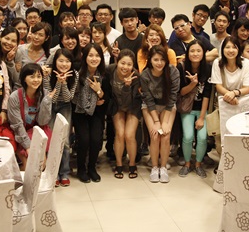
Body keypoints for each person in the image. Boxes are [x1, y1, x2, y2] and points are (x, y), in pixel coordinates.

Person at [210, 37, 249, 192]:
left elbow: (247, 87)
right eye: (227, 47)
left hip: (241, 102)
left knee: (242, 137)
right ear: (222, 49)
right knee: (222, 140)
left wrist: (234, 93)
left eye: (234, 47)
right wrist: (229, 95)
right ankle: (225, 171)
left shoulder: (246, 63)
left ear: (238, 49)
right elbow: (218, 86)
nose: (230, 50)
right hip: (223, 103)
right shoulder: (217, 63)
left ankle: (242, 171)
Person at [140, 45, 180, 183]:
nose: (159, 63)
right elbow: (148, 99)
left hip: (168, 106)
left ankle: (163, 167)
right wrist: (157, 121)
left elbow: (173, 97)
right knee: (155, 134)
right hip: (150, 107)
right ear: (150, 60)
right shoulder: (145, 75)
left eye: (162, 59)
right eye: (156, 59)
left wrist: (165, 121)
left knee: (165, 135)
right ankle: (154, 167)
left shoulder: (173, 72)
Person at [72, 43, 110, 183]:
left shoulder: (104, 74)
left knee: (96, 140)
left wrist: (98, 91)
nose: (94, 59)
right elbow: (72, 94)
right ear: (85, 57)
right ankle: (81, 169)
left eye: (97, 56)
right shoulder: (77, 72)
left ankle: (92, 168)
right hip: (79, 111)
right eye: (91, 55)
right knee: (83, 139)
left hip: (97, 112)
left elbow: (106, 98)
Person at [7, 63, 52, 170]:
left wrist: (46, 102)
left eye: (39, 76)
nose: (36, 80)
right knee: (30, 165)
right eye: (32, 77)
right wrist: (28, 146)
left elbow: (42, 122)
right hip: (20, 133)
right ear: (24, 79)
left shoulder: (45, 94)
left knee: (41, 165)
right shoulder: (15, 97)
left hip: (37, 131)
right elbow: (17, 125)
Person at [177, 41, 211, 179]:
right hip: (187, 108)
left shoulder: (208, 68)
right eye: (192, 51)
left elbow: (207, 94)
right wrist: (193, 84)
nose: (195, 54)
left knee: (202, 137)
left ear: (203, 53)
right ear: (187, 53)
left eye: (198, 51)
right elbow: (181, 92)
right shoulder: (182, 67)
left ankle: (198, 164)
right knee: (188, 136)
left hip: (202, 108)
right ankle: (187, 164)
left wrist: (202, 117)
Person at [45, 49, 78, 186]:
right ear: (55, 61)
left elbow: (68, 98)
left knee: (64, 141)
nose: (64, 64)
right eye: (61, 61)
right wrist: (58, 82)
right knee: (52, 139)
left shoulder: (74, 74)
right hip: (50, 106)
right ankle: (53, 172)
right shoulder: (47, 73)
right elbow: (50, 99)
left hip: (65, 106)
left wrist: (63, 83)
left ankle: (64, 173)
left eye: (67, 61)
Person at [107, 50, 141, 180]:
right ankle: (119, 164)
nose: (125, 67)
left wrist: (127, 86)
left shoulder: (135, 76)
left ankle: (132, 164)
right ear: (117, 62)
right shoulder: (110, 70)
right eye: (123, 63)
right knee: (120, 134)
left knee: (129, 135)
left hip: (132, 106)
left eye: (129, 64)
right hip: (117, 106)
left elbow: (130, 101)